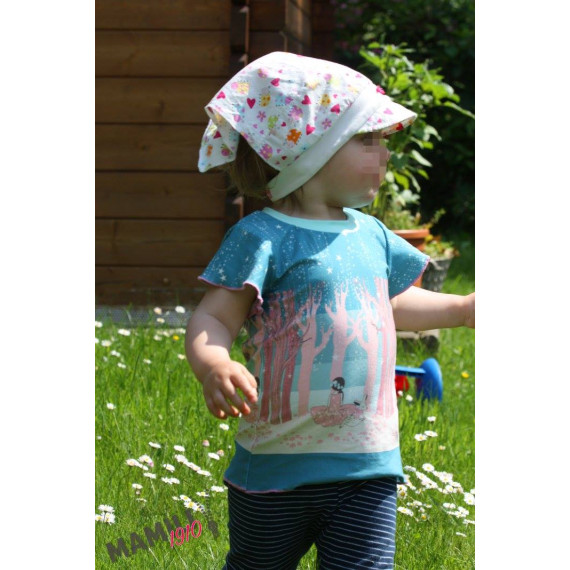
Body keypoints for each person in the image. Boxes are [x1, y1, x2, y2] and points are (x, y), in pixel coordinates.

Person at [185, 51, 475, 570]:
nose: (385, 152)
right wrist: (214, 363)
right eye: (368, 140)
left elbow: (389, 301)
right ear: (311, 151)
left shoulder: (373, 234)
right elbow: (215, 317)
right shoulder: (263, 236)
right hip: (276, 467)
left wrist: (461, 308)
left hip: (368, 466)